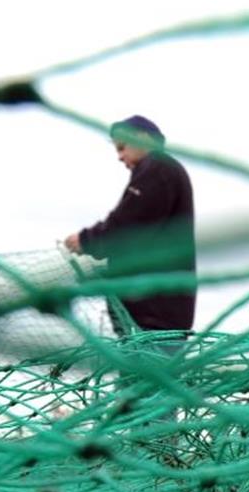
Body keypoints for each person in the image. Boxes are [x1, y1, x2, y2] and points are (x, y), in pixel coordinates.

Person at [64, 115, 196, 337]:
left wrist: (86, 240)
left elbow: (127, 224)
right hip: (160, 314)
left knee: (144, 369)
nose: (120, 157)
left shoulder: (158, 167)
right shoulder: (164, 171)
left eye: (122, 147)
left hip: (153, 316)